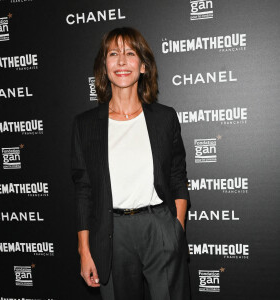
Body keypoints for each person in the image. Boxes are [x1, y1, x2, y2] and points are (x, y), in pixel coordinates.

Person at [71, 27, 191, 300]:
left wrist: (177, 229)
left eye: (130, 53)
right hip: (111, 232)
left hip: (159, 225)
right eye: (113, 54)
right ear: (105, 67)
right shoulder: (85, 125)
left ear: (144, 66)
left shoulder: (164, 118)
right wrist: (84, 250)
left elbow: (177, 176)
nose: (122, 61)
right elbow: (83, 190)